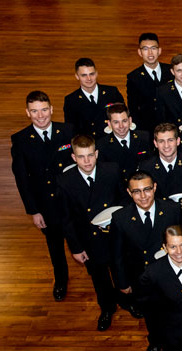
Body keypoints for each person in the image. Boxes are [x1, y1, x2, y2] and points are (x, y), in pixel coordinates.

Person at [56, 134, 128, 331]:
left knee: (120, 269)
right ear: (73, 158)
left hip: (114, 234)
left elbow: (123, 200)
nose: (86, 161)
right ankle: (106, 307)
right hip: (89, 238)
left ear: (97, 154)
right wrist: (76, 248)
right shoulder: (65, 181)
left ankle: (126, 301)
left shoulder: (111, 170)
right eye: (81, 157)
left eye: (90, 155)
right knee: (100, 277)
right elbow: (66, 219)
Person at [11, 90, 74, 302]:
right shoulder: (20, 140)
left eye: (44, 110)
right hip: (46, 205)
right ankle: (61, 279)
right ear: (27, 113)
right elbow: (22, 180)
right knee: (55, 245)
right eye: (35, 111)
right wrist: (34, 211)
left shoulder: (67, 131)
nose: (40, 115)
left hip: (70, 201)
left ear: (52, 109)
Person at [111, 171, 182, 350]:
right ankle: (156, 342)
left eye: (147, 189)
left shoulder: (172, 210)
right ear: (129, 193)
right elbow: (117, 254)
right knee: (151, 314)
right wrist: (122, 282)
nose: (143, 196)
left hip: (171, 275)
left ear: (155, 188)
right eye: (136, 192)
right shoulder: (120, 218)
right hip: (142, 278)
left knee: (175, 314)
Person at [138, 123, 182, 202]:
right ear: (155, 144)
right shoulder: (146, 167)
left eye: (170, 140)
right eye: (161, 141)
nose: (166, 145)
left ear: (178, 141)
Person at [127, 33, 173, 137]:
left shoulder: (171, 71)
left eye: (153, 48)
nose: (150, 53)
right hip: (147, 130)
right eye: (145, 49)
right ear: (140, 52)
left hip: (171, 127)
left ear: (159, 50)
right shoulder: (133, 77)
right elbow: (133, 108)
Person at [64, 58, 125, 138]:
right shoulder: (71, 100)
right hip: (88, 145)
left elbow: (124, 117)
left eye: (92, 74)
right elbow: (72, 129)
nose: (89, 79)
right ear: (77, 76)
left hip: (111, 141)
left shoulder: (112, 93)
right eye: (84, 75)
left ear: (96, 73)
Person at [96, 103, 153, 184]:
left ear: (130, 120)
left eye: (124, 121)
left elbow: (150, 165)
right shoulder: (102, 145)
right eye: (116, 122)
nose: (121, 126)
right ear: (109, 124)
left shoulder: (144, 138)